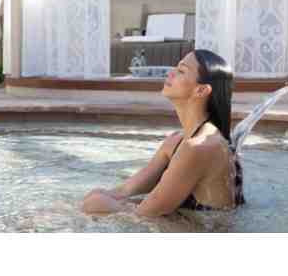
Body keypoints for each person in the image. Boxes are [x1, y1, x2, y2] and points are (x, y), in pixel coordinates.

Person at [82, 49, 245, 217]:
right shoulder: (176, 141)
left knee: (95, 204)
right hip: (181, 224)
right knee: (94, 197)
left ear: (201, 91)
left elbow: (147, 213)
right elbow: (124, 191)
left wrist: (99, 204)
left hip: (205, 229)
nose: (171, 73)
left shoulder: (200, 146)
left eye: (181, 71)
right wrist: (100, 197)